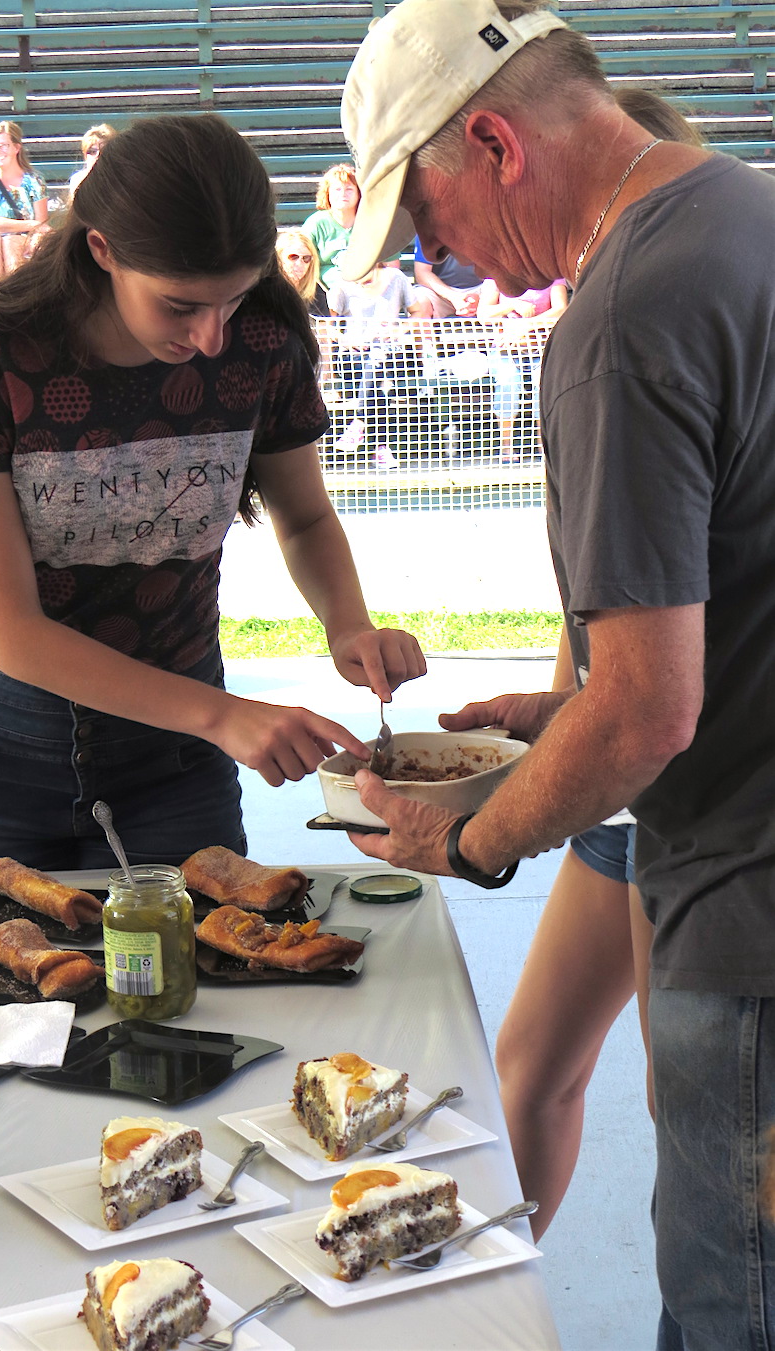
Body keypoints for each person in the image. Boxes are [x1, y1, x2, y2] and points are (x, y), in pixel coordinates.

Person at [338, 3, 775, 1346]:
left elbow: (651, 710)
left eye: (428, 222)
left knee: (730, 1304)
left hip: (749, 900)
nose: (444, 265)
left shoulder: (622, 316)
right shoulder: (744, 211)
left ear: (491, 142)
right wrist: (565, 704)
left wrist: (471, 832)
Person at [0, 113, 425, 876]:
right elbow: (11, 631)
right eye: (181, 306)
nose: (212, 337)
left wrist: (348, 625)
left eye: (236, 300)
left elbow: (305, 516)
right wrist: (223, 716)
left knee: (211, 978)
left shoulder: (263, 346)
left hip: (170, 762)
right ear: (103, 250)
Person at [494, 86, 705, 1243]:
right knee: (533, 1057)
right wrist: (557, 708)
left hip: (687, 783)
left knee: (690, 1093)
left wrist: (482, 832)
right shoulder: (604, 324)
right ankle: (486, 1299)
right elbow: (596, 602)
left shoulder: (653, 320)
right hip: (628, 772)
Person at [328, 261, 428, 468]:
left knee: (379, 360)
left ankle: (359, 423)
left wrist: (397, 330)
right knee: (382, 385)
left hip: (390, 352)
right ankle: (381, 449)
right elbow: (329, 327)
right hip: (354, 356)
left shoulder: (396, 278)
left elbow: (417, 313)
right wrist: (348, 341)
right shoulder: (342, 283)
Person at [477, 276, 568, 461]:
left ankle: (543, 446)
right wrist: (513, 305)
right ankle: (506, 447)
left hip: (541, 348)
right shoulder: (496, 275)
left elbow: (560, 310)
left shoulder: (552, 275)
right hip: (504, 350)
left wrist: (527, 325)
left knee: (541, 383)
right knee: (509, 381)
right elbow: (483, 314)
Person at [0, 120, 49, 288]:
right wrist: (31, 224)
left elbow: (42, 223)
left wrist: (33, 234)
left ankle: (15, 298)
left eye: (4, 145)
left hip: (22, 240)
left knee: (10, 242)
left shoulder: (34, 180)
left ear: (16, 148)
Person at [302, 163, 402, 290]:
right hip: (328, 293)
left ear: (359, 194)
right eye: (337, 189)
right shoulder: (316, 223)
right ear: (327, 194)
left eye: (349, 189)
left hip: (371, 289)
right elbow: (302, 262)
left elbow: (392, 265)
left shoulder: (374, 223)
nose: (343, 194)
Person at [412, 235, 481, 318]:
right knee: (420, 305)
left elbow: (496, 270)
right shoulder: (428, 228)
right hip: (440, 292)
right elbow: (422, 273)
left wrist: (486, 295)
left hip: (483, 289)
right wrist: (454, 297)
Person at [274, 229, 328, 316]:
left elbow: (323, 327)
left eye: (306, 258)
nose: (299, 264)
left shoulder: (316, 292)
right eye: (293, 257)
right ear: (279, 258)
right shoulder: (266, 290)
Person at [68, 122, 117, 200]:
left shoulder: (121, 180)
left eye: (103, 151)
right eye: (92, 151)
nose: (97, 156)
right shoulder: (77, 180)